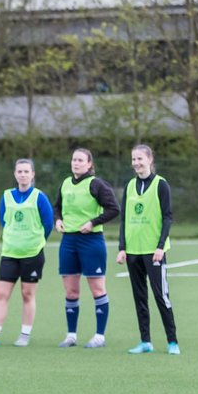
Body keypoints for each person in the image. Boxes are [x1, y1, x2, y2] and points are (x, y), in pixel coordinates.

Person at [0, 158, 54, 347]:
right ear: (15, 174)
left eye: (26, 171)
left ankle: (24, 334)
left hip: (32, 254)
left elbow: (48, 224)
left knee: (27, 294)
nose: (23, 174)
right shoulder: (6, 196)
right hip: (9, 253)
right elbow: (3, 221)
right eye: (20, 171)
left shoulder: (39, 197)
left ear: (32, 174)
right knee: (1, 294)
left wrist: (35, 241)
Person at [53, 147, 121, 349]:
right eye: (74, 159)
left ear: (89, 164)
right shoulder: (65, 183)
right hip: (68, 242)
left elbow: (114, 209)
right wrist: (57, 220)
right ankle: (71, 335)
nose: (76, 163)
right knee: (71, 291)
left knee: (97, 289)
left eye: (81, 160)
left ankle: (100, 336)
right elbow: (57, 206)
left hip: (91, 241)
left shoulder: (96, 184)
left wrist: (92, 222)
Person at [116, 144, 179, 355]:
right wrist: (122, 248)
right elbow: (124, 218)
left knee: (161, 297)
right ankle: (146, 341)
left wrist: (160, 246)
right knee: (139, 298)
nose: (136, 163)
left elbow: (168, 217)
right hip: (133, 251)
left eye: (140, 159)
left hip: (154, 251)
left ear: (150, 160)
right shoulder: (130, 186)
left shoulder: (161, 184)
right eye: (133, 159)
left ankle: (172, 342)